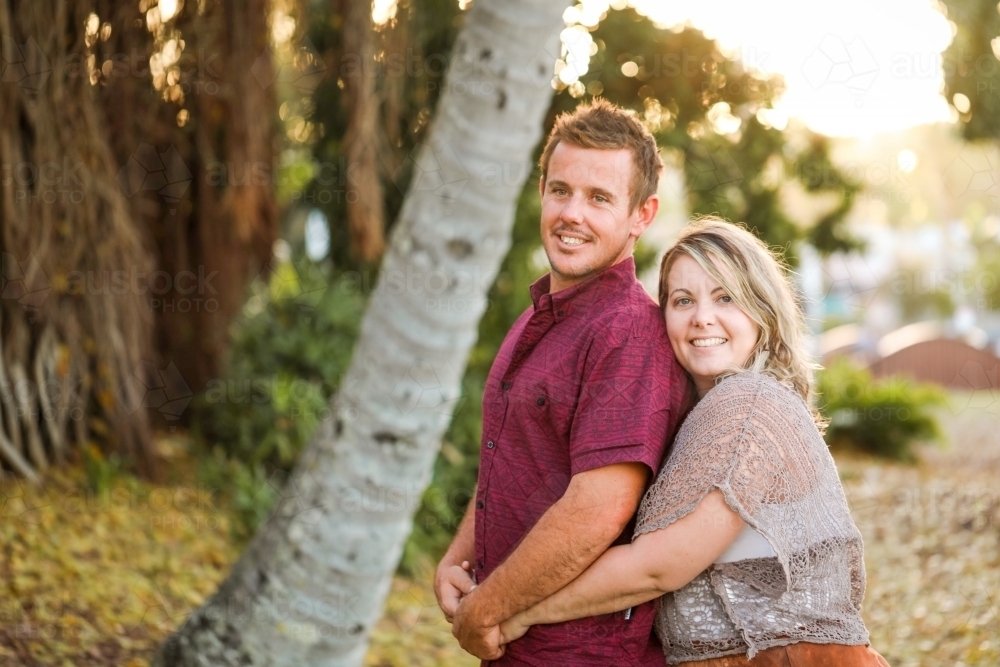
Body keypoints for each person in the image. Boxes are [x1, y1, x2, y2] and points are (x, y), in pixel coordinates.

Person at [450, 219, 891, 666]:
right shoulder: (699, 417)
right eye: (683, 300)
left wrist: (512, 612)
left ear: (761, 312)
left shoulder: (749, 404)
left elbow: (658, 566)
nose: (702, 317)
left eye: (725, 297)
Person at [433, 99, 691, 665]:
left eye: (600, 198)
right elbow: (511, 455)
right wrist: (459, 557)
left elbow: (597, 508)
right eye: (560, 190)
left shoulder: (628, 332)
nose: (572, 213)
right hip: (513, 647)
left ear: (641, 215)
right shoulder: (537, 315)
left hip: (581, 654)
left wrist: (486, 608)